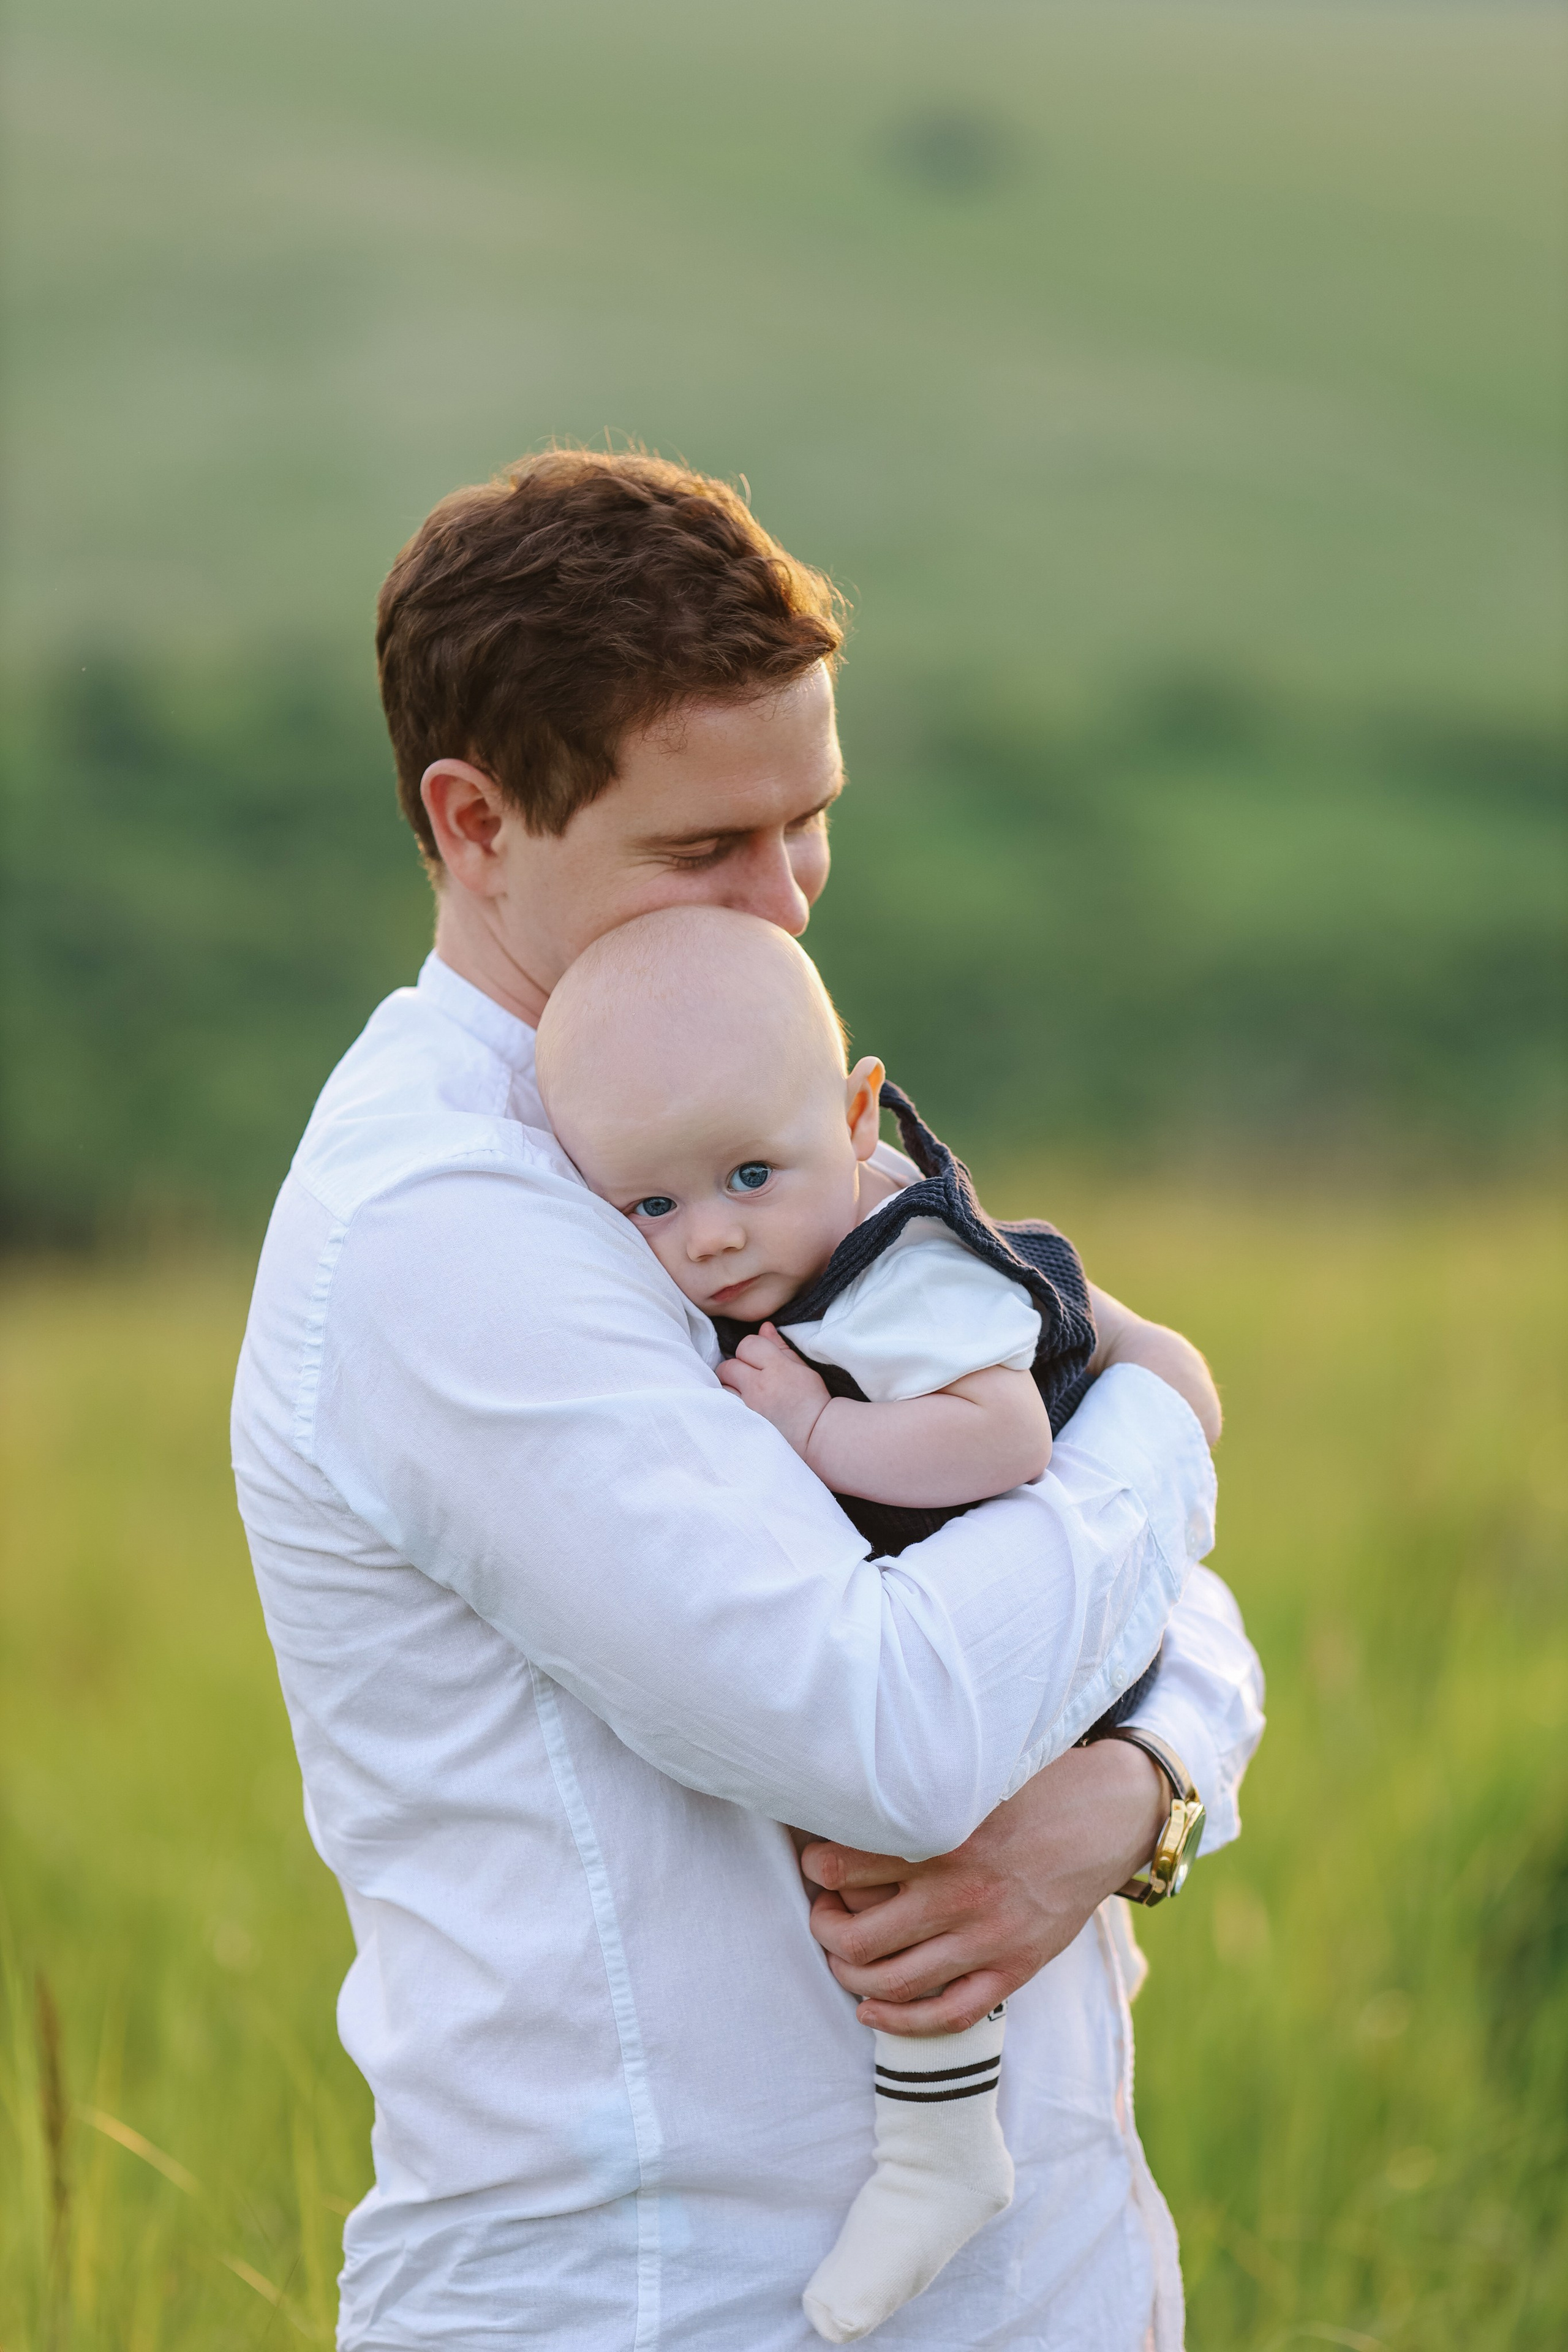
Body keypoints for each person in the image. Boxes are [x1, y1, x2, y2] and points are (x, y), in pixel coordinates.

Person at [231, 448, 1264, 2351]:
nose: (784, 905)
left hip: (1041, 2271)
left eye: (814, 823)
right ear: (475, 824)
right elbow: (892, 1723)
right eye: (710, 846)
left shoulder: (737, 1077)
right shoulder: (442, 1228)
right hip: (672, 2296)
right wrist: (1163, 1426)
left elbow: (1074, 1548)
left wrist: (1145, 1778)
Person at [533, 902, 1225, 2343]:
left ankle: (934, 2154)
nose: (712, 1238)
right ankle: (940, 2149)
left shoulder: (898, 1266)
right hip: (994, 1621)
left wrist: (812, 1437)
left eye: (745, 1176)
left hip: (1034, 1645)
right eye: (653, 1209)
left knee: (908, 1870)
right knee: (886, 1877)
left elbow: (1003, 1440)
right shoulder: (785, 1246)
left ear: (856, 1117)